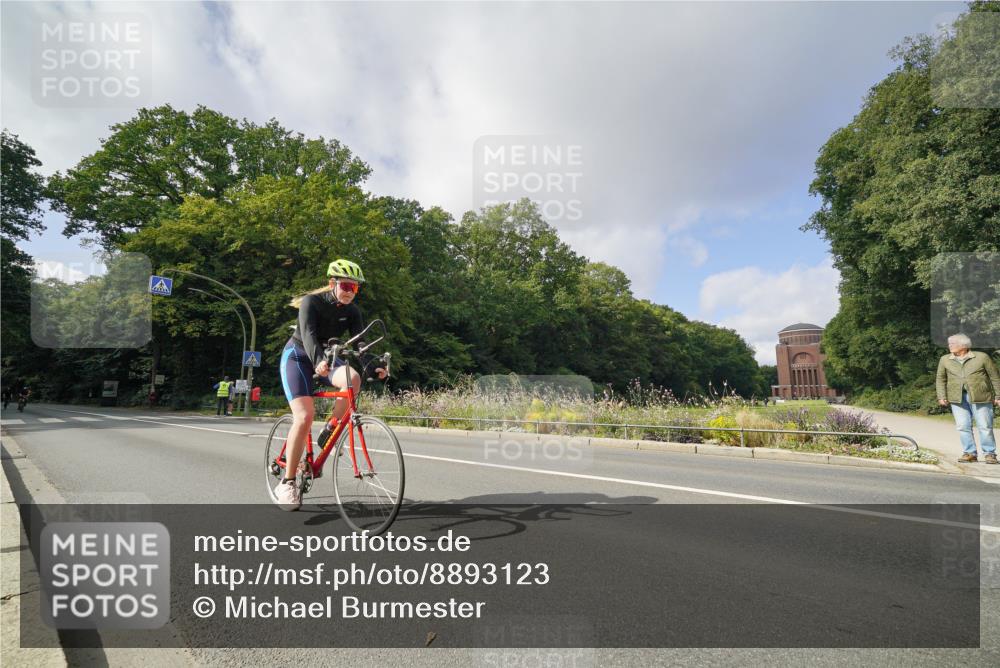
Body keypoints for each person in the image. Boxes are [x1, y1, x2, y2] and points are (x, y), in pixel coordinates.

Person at [275, 259, 387, 511]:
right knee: (304, 417)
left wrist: (374, 365)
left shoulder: (353, 312)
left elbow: (361, 346)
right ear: (332, 283)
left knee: (353, 379)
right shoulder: (311, 303)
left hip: (327, 358)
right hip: (298, 357)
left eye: (355, 288)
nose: (350, 291)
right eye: (346, 285)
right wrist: (317, 361)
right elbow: (308, 335)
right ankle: (288, 482)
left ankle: (331, 426)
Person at [936, 333, 1000, 464]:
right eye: (949, 343)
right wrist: (941, 396)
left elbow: (994, 377)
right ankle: (970, 453)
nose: (950, 346)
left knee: (985, 426)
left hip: (981, 396)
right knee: (963, 426)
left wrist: (999, 395)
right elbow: (940, 379)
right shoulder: (945, 359)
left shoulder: (981, 357)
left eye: (953, 343)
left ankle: (990, 454)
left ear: (963, 345)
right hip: (957, 398)